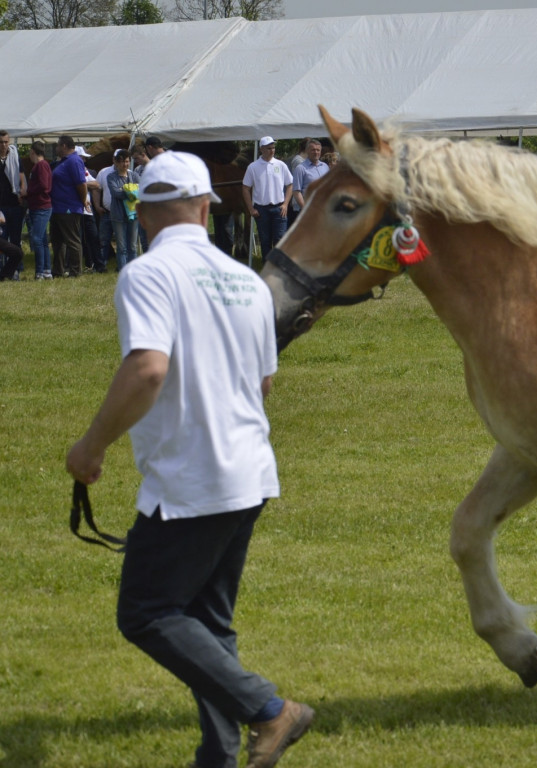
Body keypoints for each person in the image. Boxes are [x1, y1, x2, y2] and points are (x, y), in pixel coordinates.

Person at [65, 150, 314, 768]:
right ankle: (218, 753)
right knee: (208, 620)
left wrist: (91, 446)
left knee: (147, 613)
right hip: (251, 470)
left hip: (191, 478)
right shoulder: (247, 281)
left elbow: (148, 368)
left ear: (144, 212)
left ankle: (269, 708)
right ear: (207, 208)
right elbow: (263, 385)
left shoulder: (148, 275)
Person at [242, 137, 292, 258]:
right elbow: (245, 188)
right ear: (261, 149)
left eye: (273, 147)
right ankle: (267, 270)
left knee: (280, 241)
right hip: (261, 209)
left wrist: (285, 204)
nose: (272, 150)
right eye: (269, 148)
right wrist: (251, 209)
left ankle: (279, 270)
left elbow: (290, 185)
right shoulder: (253, 167)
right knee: (265, 242)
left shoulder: (281, 165)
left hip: (279, 208)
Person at [50, 135, 88, 278]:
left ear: (64, 146)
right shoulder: (64, 162)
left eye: (58, 146)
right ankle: (58, 271)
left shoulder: (74, 161)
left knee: (72, 240)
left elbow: (82, 183)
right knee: (57, 241)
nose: (57, 148)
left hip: (69, 208)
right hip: (58, 207)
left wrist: (83, 200)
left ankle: (75, 272)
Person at [107, 148, 141, 271]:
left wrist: (126, 190)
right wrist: (132, 191)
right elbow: (116, 193)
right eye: (121, 162)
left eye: (127, 161)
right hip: (118, 215)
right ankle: (123, 269)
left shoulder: (134, 175)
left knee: (132, 245)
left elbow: (140, 191)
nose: (124, 164)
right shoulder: (111, 177)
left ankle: (134, 269)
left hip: (134, 214)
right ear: (115, 162)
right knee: (122, 246)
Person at [26, 141, 53, 279]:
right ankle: (47, 271)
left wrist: (28, 191)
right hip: (40, 206)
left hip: (41, 206)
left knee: (36, 239)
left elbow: (44, 186)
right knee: (42, 240)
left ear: (32, 152)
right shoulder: (43, 165)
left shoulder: (41, 165)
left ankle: (40, 272)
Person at [0, 130, 27, 259]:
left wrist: (22, 189)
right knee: (1, 239)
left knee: (15, 238)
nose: (3, 145)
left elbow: (21, 174)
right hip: (1, 206)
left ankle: (16, 269)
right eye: (1, 142)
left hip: (15, 203)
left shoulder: (14, 155)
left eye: (6, 142)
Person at [291, 139, 328, 222]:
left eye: (318, 150)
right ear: (307, 151)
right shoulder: (300, 168)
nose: (316, 152)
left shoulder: (325, 166)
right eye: (313, 150)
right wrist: (305, 209)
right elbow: (296, 192)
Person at [132, 146, 151, 252]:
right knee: (143, 239)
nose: (135, 161)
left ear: (143, 155)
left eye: (136, 158)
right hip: (140, 207)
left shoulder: (154, 167)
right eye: (134, 159)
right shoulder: (137, 169)